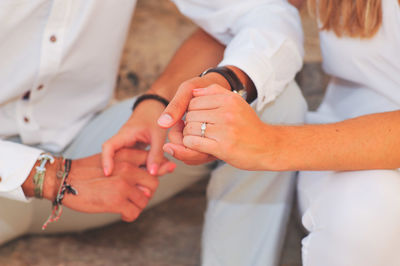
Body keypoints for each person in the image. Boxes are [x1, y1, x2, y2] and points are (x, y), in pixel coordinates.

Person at [1, 1, 305, 265]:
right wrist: (51, 175)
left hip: (90, 152)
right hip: (26, 181)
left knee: (267, 104)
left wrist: (165, 98)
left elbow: (263, 10)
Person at [168, 0, 400, 265]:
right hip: (340, 151)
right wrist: (229, 80)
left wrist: (271, 144)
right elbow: (259, 11)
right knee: (369, 207)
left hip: (312, 147)